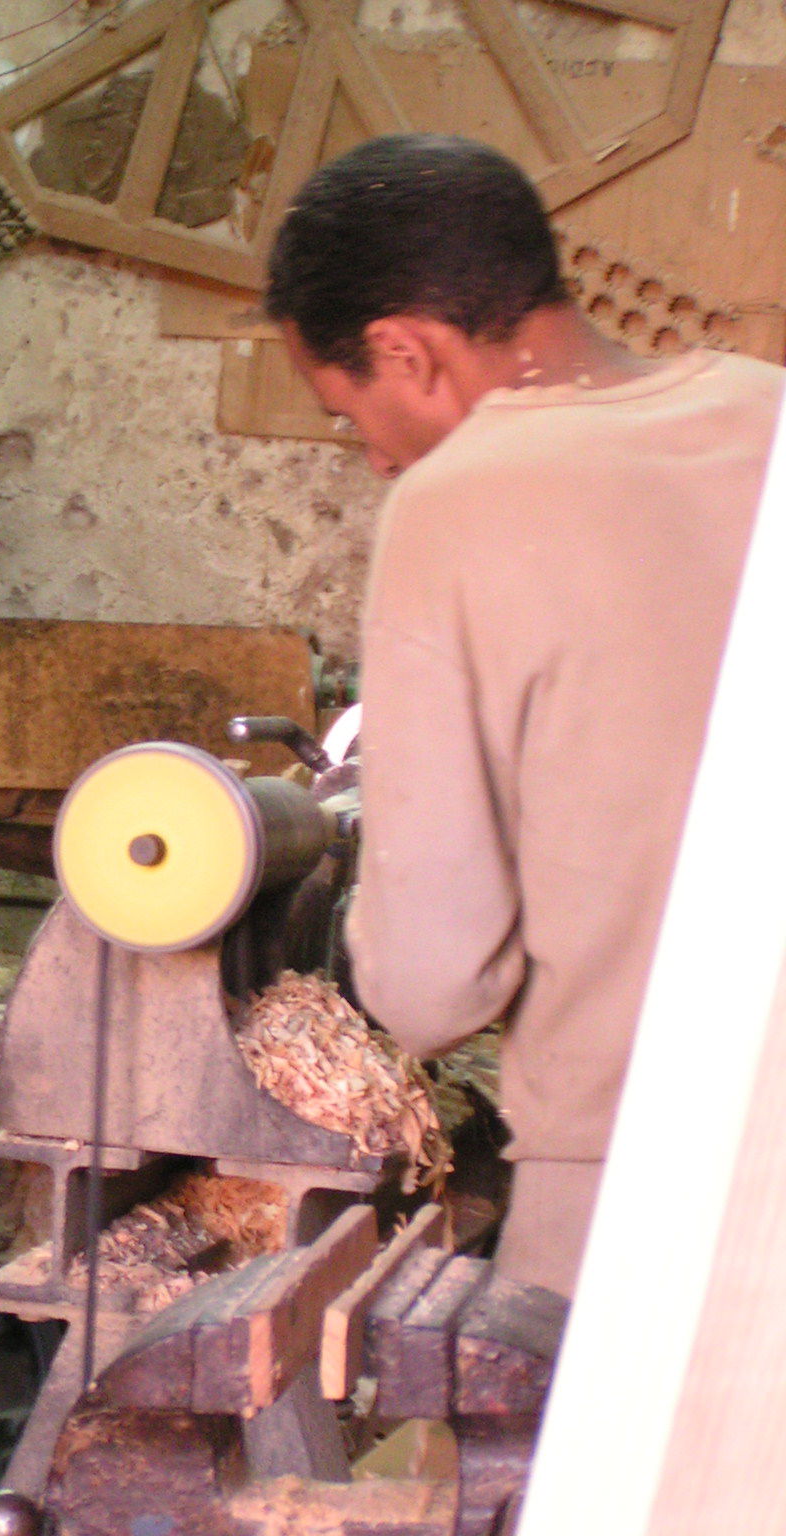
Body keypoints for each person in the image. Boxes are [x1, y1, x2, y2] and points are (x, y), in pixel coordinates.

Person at [264, 134, 783, 1297]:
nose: (370, 456)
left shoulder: (458, 501)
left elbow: (434, 988)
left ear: (405, 350)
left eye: (348, 411)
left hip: (647, 1175)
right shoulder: (768, 412)